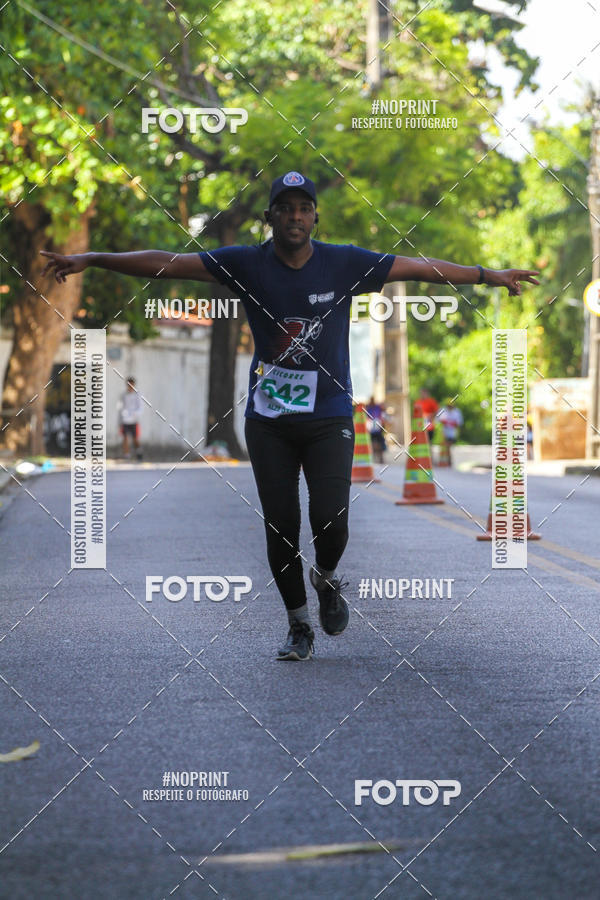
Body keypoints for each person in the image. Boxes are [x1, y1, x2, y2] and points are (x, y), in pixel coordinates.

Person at [41, 170, 539, 661]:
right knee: (280, 526)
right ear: (270, 217)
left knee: (332, 520)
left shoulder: (344, 264)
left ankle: (324, 578)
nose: (295, 216)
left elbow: (417, 267)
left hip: (329, 415)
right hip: (269, 419)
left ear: (315, 218)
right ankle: (298, 626)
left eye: (304, 209)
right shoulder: (247, 264)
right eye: (286, 208)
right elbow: (169, 264)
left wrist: (486, 276)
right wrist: (91, 259)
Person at [118, 376, 143, 460]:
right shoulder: (123, 395)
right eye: (129, 384)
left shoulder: (137, 394)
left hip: (134, 420)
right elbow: (120, 407)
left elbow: (140, 407)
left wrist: (135, 414)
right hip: (125, 420)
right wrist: (122, 416)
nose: (130, 386)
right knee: (125, 438)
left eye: (131, 384)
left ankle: (138, 451)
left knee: (135, 438)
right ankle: (127, 455)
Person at [437, 399, 464, 465]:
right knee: (446, 446)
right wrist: (445, 422)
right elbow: (439, 419)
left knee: (449, 446)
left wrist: (451, 423)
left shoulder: (457, 412)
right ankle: (447, 461)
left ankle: (449, 461)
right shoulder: (443, 410)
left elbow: (459, 423)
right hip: (444, 432)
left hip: (453, 432)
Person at [365, 396, 387, 464]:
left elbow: (383, 410)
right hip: (372, 427)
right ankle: (376, 458)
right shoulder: (368, 408)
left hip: (377, 426)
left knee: (380, 442)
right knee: (374, 443)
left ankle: (380, 458)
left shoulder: (377, 407)